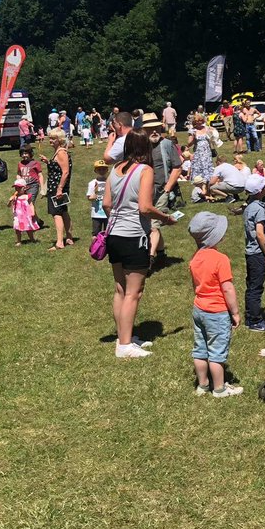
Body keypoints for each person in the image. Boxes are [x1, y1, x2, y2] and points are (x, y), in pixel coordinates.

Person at [104, 130, 179, 358]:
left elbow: (107, 203)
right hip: (134, 235)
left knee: (120, 289)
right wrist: (165, 218)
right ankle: (125, 345)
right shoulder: (145, 170)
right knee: (134, 292)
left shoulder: (115, 170)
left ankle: (123, 336)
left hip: (114, 235)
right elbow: (145, 207)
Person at [187, 211, 242, 397]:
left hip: (199, 309)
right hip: (217, 312)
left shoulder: (195, 259)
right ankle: (219, 388)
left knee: (200, 348)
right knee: (217, 352)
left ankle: (202, 385)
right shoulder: (221, 259)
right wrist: (234, 312)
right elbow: (227, 289)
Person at [142, 114, 182, 269]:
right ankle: (162, 254)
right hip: (142, 192)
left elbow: (177, 167)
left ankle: (149, 259)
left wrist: (168, 187)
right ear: (144, 131)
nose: (154, 132)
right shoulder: (140, 145)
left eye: (156, 128)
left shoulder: (167, 144)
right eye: (150, 129)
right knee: (148, 225)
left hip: (160, 191)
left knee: (154, 226)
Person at [242, 173, 265, 332]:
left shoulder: (249, 206)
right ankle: (255, 320)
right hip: (258, 253)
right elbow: (260, 233)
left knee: (251, 286)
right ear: (261, 190)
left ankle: (250, 316)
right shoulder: (259, 210)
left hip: (250, 253)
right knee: (256, 287)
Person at [42, 128, 75, 250]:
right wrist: (48, 162)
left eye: (53, 138)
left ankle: (60, 242)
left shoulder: (61, 152)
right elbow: (58, 168)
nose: (50, 140)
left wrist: (60, 189)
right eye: (50, 138)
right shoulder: (60, 151)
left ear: (59, 140)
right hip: (58, 187)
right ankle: (69, 237)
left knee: (56, 214)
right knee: (63, 212)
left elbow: (65, 172)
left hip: (57, 188)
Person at [186, 114, 217, 201]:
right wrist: (193, 136)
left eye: (200, 120)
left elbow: (214, 135)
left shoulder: (206, 128)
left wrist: (212, 132)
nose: (198, 122)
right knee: (200, 172)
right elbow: (189, 143)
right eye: (196, 121)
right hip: (199, 154)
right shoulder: (192, 130)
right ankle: (200, 192)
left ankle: (209, 191)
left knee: (208, 171)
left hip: (207, 153)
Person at [8, 178, 40, 246]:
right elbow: (8, 206)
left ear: (25, 188)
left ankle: (32, 239)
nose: (17, 190)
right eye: (16, 188)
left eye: (19, 188)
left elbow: (31, 204)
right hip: (18, 216)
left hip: (26, 215)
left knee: (29, 228)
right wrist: (10, 201)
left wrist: (32, 212)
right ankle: (19, 241)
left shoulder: (27, 196)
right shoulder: (15, 197)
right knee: (17, 229)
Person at [88, 161, 109, 236]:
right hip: (97, 214)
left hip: (108, 213)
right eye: (99, 169)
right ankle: (96, 247)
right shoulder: (92, 183)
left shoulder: (110, 182)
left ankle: (107, 247)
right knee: (96, 234)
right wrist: (92, 197)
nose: (101, 171)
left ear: (107, 170)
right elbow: (89, 197)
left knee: (108, 233)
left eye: (103, 169)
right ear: (95, 171)